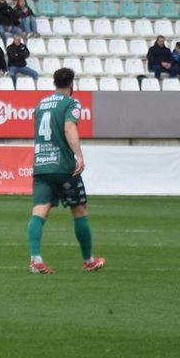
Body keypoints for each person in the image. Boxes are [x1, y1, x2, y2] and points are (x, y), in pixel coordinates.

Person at [26, 68, 105, 274]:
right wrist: (79, 154)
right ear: (72, 84)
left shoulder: (41, 104)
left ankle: (35, 260)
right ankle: (88, 260)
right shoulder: (72, 103)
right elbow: (69, 127)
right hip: (63, 166)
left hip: (41, 164)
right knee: (79, 211)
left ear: (54, 83)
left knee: (39, 212)